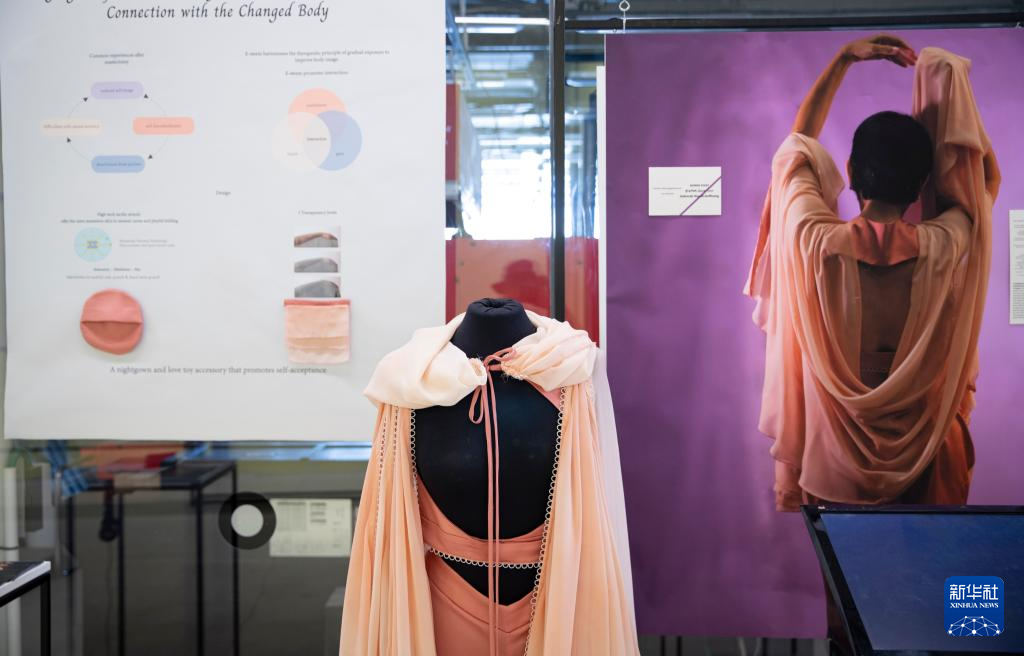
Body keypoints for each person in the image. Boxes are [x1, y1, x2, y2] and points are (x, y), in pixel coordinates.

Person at [745, 35, 1000, 512]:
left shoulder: (813, 240)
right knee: (929, 564)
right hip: (928, 458)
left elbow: (797, 147)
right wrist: (951, 85)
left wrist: (844, 59)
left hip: (834, 464)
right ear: (923, 184)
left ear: (849, 169)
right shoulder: (948, 244)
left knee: (844, 565)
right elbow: (982, 179)